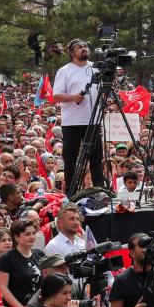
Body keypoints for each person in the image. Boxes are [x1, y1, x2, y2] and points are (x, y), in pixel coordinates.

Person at [52, 39, 106, 192]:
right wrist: (73, 98)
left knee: (96, 158)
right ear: (71, 53)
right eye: (79, 47)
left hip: (93, 120)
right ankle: (71, 191)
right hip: (72, 122)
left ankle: (99, 189)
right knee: (71, 159)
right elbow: (56, 95)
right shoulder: (64, 70)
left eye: (85, 47)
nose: (83, 49)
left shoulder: (97, 68)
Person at [0, 218, 43, 307]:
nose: (32, 237)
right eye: (27, 234)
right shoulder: (6, 259)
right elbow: (3, 288)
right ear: (16, 237)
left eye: (34, 233)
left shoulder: (40, 254)